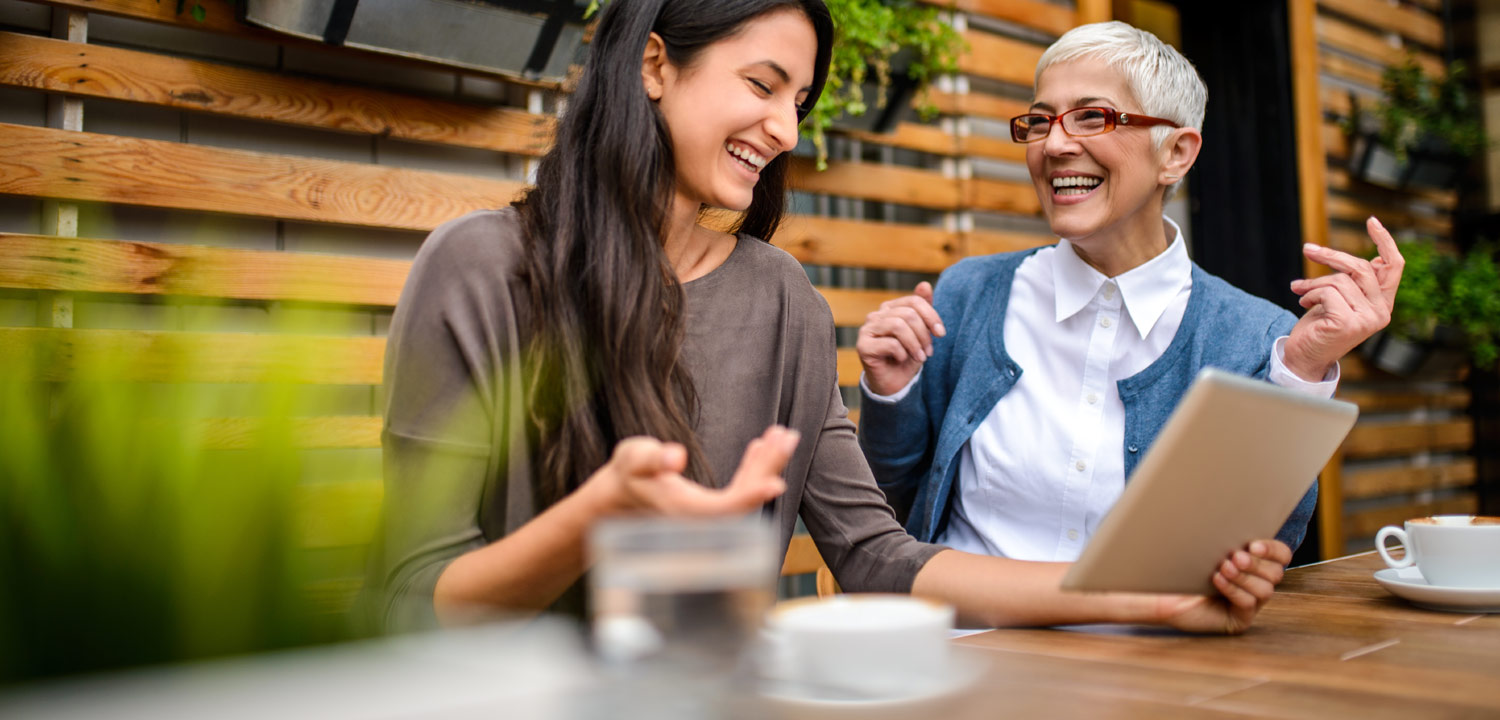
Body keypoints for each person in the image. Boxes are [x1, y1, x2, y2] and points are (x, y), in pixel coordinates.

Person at [373, 1, 1293, 636]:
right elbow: (414, 599)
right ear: (655, 65)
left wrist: (1154, 598)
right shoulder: (483, 268)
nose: (787, 130)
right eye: (762, 85)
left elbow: (877, 556)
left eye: (800, 101)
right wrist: (600, 513)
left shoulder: (782, 297)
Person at [856, 23, 1402, 568]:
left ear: (1177, 154)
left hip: (1142, 627)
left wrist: (1300, 373)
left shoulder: (1258, 339)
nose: (1054, 144)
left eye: (1093, 117)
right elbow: (888, 510)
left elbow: (1257, 548)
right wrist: (891, 395)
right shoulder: (968, 293)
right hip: (965, 621)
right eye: (1040, 121)